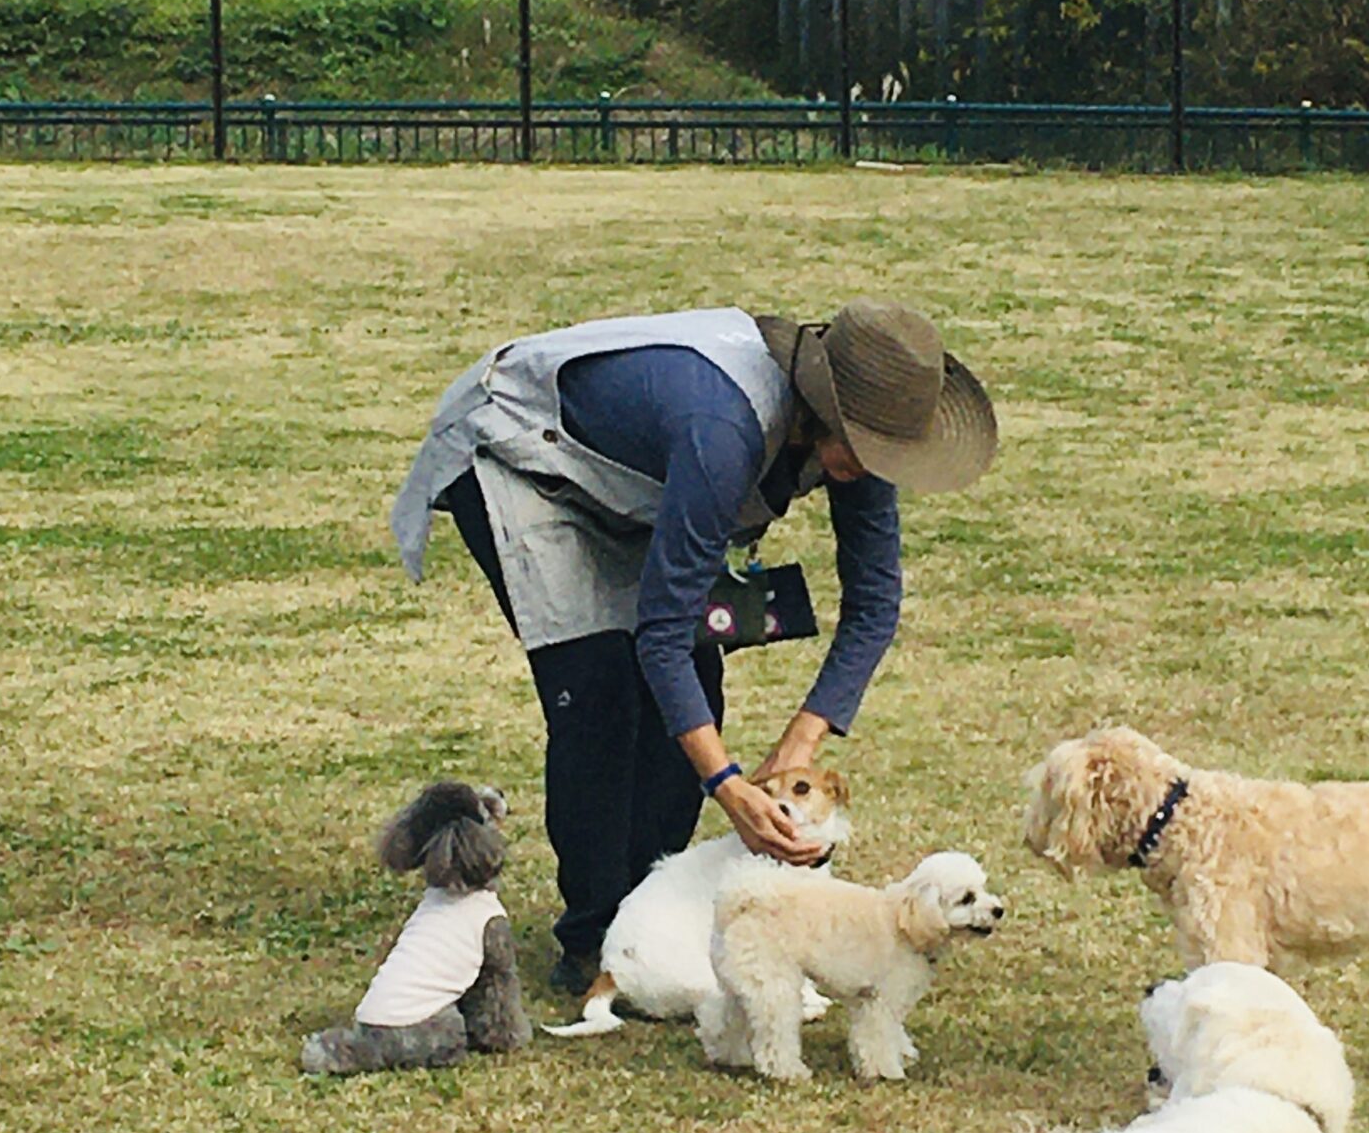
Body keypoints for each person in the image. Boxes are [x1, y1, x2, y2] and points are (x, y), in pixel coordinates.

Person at [391, 298, 998, 998]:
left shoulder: (857, 448)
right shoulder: (723, 429)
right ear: (823, 410)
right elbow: (660, 637)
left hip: (643, 484)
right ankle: (593, 940)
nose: (872, 467)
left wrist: (801, 742)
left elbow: (874, 603)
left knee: (692, 688)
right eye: (865, 449)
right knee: (598, 692)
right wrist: (728, 787)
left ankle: (649, 920)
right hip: (526, 459)